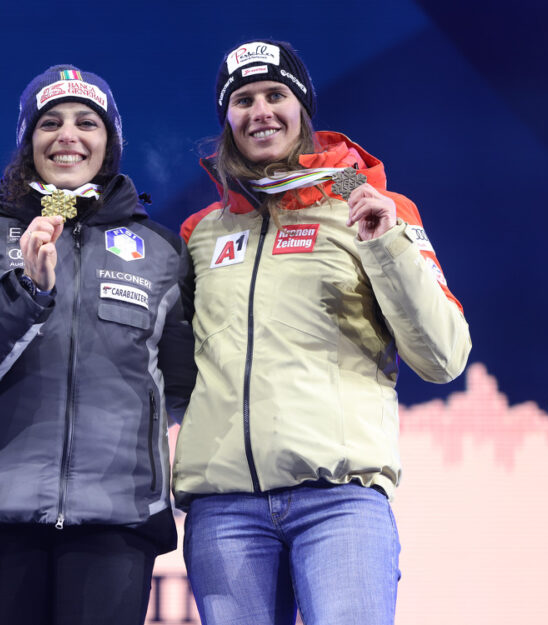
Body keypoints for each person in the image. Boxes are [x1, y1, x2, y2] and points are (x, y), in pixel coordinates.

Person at [172, 39, 472, 625]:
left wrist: (385, 245)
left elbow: (444, 357)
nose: (261, 111)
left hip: (339, 503)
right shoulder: (201, 234)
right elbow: (176, 367)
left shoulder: (375, 209)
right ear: (226, 119)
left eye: (275, 95)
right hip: (224, 512)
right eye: (243, 99)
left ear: (302, 108)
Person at [0, 65, 195, 625]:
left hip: (118, 524)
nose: (68, 136)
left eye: (86, 122)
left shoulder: (162, 253)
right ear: (28, 143)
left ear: (109, 143)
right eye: (50, 123)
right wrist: (24, 291)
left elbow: (183, 389)